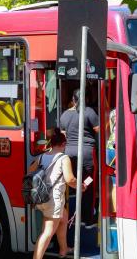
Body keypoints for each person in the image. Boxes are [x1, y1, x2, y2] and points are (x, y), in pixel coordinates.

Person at [32, 128, 85, 259]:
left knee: (64, 217)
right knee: (47, 232)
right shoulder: (63, 158)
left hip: (42, 197)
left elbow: (30, 170)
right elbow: (70, 179)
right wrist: (81, 186)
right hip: (53, 200)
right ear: (62, 144)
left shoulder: (42, 156)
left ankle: (64, 249)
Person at [60, 89, 99, 228]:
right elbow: (100, 130)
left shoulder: (64, 115)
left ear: (73, 99)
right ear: (86, 99)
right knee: (88, 182)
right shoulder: (89, 112)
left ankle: (73, 217)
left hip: (69, 155)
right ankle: (87, 219)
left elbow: (63, 135)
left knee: (73, 185)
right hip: (87, 155)